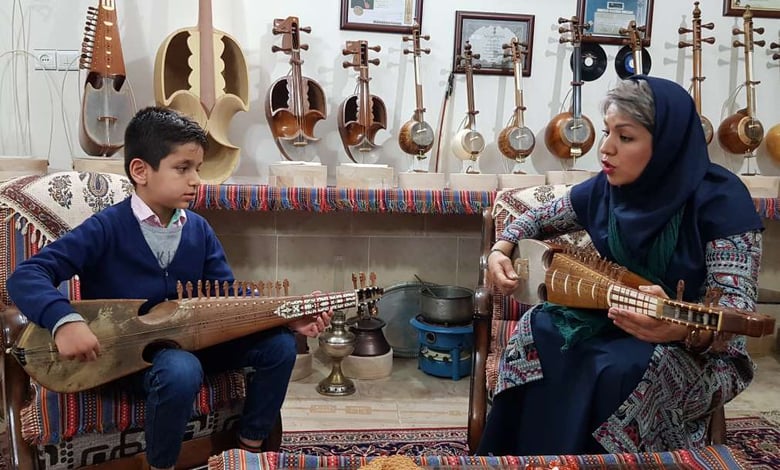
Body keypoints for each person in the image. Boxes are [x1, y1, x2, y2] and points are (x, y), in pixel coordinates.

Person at [6, 107, 332, 470]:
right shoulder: (106, 228)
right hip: (130, 360)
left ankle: (249, 448)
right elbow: (25, 276)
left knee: (280, 347)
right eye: (182, 168)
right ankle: (162, 465)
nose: (196, 180)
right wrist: (64, 320)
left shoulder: (198, 230)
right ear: (141, 171)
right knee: (180, 368)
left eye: (198, 168)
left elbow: (226, 297)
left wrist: (282, 318)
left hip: (198, 344)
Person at [477, 76, 763, 455]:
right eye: (608, 132)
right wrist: (500, 248)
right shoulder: (607, 189)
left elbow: (736, 316)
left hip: (696, 351)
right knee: (540, 329)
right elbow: (537, 218)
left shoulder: (722, 202)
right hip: (615, 322)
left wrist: (679, 330)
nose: (606, 149)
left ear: (666, 145)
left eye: (625, 137)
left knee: (619, 370)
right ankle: (530, 459)